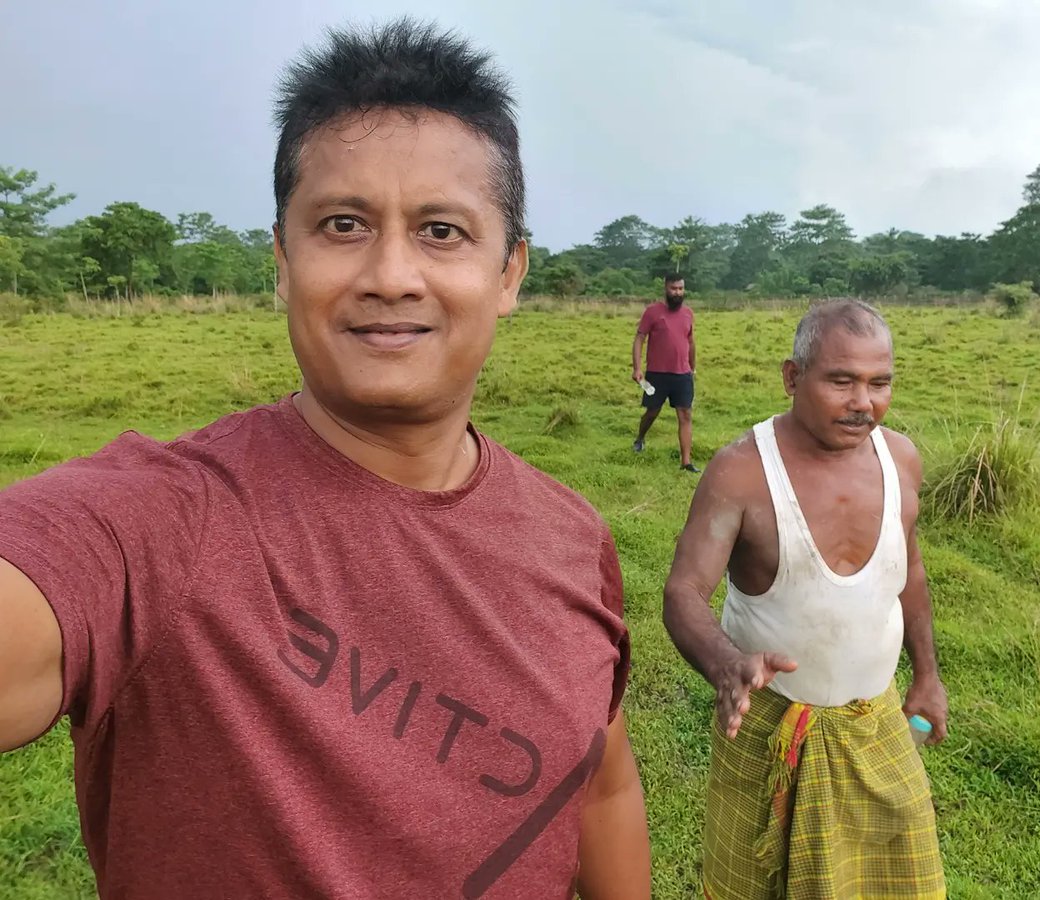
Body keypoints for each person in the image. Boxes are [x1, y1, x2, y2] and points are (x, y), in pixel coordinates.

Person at [0, 20, 651, 900]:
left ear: (510, 272)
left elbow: (601, 779)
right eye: (342, 224)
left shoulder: (572, 537)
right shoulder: (162, 520)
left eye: (442, 231)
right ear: (281, 261)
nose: (391, 273)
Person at [662, 299, 947, 899]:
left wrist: (926, 674)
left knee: (897, 880)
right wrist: (725, 663)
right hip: (769, 723)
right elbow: (684, 590)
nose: (862, 403)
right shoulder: (741, 472)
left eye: (879, 383)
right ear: (793, 377)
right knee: (752, 883)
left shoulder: (901, 460)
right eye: (840, 381)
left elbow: (909, 572)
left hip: (877, 719)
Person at [632, 273, 699, 472]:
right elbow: (639, 338)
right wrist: (637, 368)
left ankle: (686, 462)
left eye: (680, 288)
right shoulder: (653, 312)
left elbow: (691, 341)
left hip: (682, 374)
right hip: (657, 374)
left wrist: (692, 367)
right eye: (673, 288)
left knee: (685, 414)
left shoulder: (688, 313)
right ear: (666, 289)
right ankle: (640, 438)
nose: (677, 292)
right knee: (652, 411)